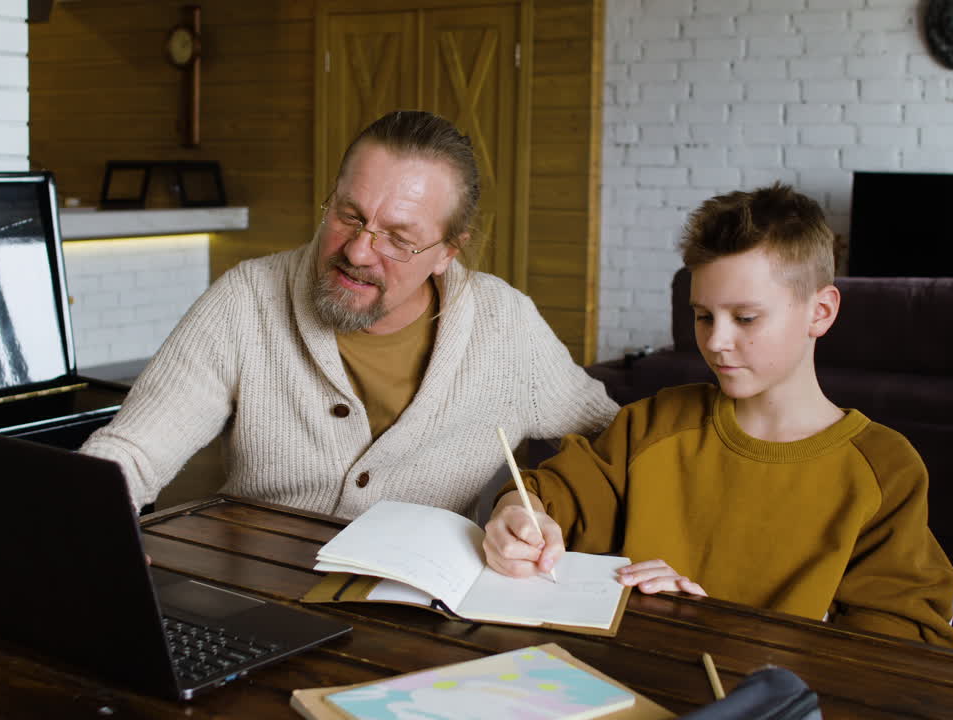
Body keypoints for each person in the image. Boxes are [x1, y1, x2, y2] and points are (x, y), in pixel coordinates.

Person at [482, 183, 953, 646]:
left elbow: (900, 641)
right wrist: (519, 513)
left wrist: (711, 623)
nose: (715, 341)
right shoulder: (655, 425)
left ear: (820, 311)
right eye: (704, 316)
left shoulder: (885, 469)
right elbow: (550, 494)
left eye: (745, 318)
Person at [80, 110, 618, 519]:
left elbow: (614, 442)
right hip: (259, 591)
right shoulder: (247, 300)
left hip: (416, 610)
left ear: (448, 252)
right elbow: (133, 450)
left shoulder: (506, 325)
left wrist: (535, 504)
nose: (358, 252)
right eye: (349, 216)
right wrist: (88, 529)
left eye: (398, 239)